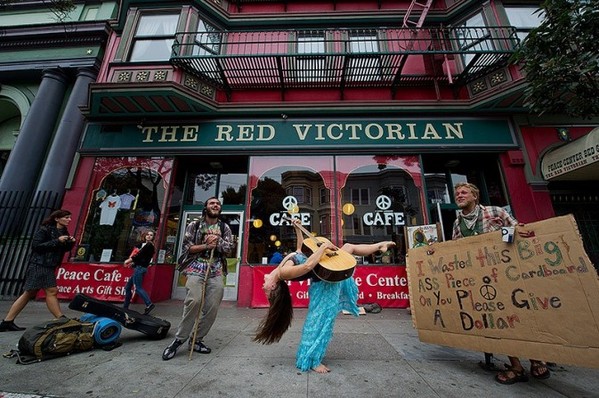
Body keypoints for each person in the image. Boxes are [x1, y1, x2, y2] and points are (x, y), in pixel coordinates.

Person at [255, 218, 396, 373]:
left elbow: (300, 251)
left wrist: (297, 229)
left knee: (348, 247)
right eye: (266, 290)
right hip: (323, 274)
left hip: (320, 259)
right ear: (274, 286)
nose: (263, 286)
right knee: (318, 322)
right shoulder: (284, 272)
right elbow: (307, 265)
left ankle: (379, 245)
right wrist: (323, 248)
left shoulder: (281, 266)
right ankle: (312, 360)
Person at [451, 182, 550, 384]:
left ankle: (536, 359)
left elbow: (518, 231)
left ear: (475, 196)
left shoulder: (494, 211)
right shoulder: (457, 222)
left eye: (464, 192)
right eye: (457, 193)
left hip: (507, 272)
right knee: (501, 320)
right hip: (482, 278)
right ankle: (516, 366)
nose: (459, 195)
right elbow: (456, 249)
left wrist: (500, 239)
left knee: (522, 314)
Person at [162, 197, 233, 360]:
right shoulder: (194, 225)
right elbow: (188, 247)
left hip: (215, 269)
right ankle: (179, 340)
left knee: (212, 306)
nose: (215, 205)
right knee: (194, 301)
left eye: (218, 204)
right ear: (206, 208)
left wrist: (218, 241)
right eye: (212, 203)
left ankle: (196, 340)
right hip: (196, 268)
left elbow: (229, 248)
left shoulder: (224, 227)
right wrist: (207, 246)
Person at [0, 209, 76, 332]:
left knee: (29, 292)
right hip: (40, 264)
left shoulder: (63, 231)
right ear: (57, 218)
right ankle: (61, 318)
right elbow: (36, 246)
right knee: (51, 290)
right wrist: (57, 241)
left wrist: (70, 243)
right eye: (66, 217)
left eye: (69, 217)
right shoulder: (45, 230)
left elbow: (62, 249)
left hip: (49, 265)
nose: (69, 220)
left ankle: (7, 321)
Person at [123, 230, 156, 315]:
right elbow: (143, 257)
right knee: (128, 287)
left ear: (153, 237)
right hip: (139, 267)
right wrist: (134, 262)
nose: (149, 236)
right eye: (147, 234)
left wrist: (129, 260)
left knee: (138, 288)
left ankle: (149, 304)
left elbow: (139, 255)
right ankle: (125, 307)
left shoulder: (149, 245)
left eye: (151, 235)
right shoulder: (148, 246)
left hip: (140, 268)